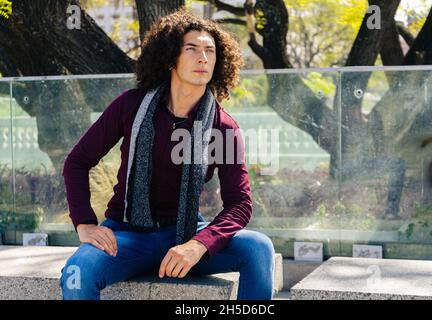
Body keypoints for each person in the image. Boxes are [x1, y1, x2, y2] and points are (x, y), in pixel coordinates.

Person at [59, 8, 275, 300]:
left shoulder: (222, 128)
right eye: (192, 49)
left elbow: (239, 204)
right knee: (78, 272)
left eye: (210, 51)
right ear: (171, 56)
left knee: (258, 248)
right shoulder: (131, 106)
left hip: (186, 234)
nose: (203, 58)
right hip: (125, 235)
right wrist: (84, 223)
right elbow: (77, 161)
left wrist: (198, 244)